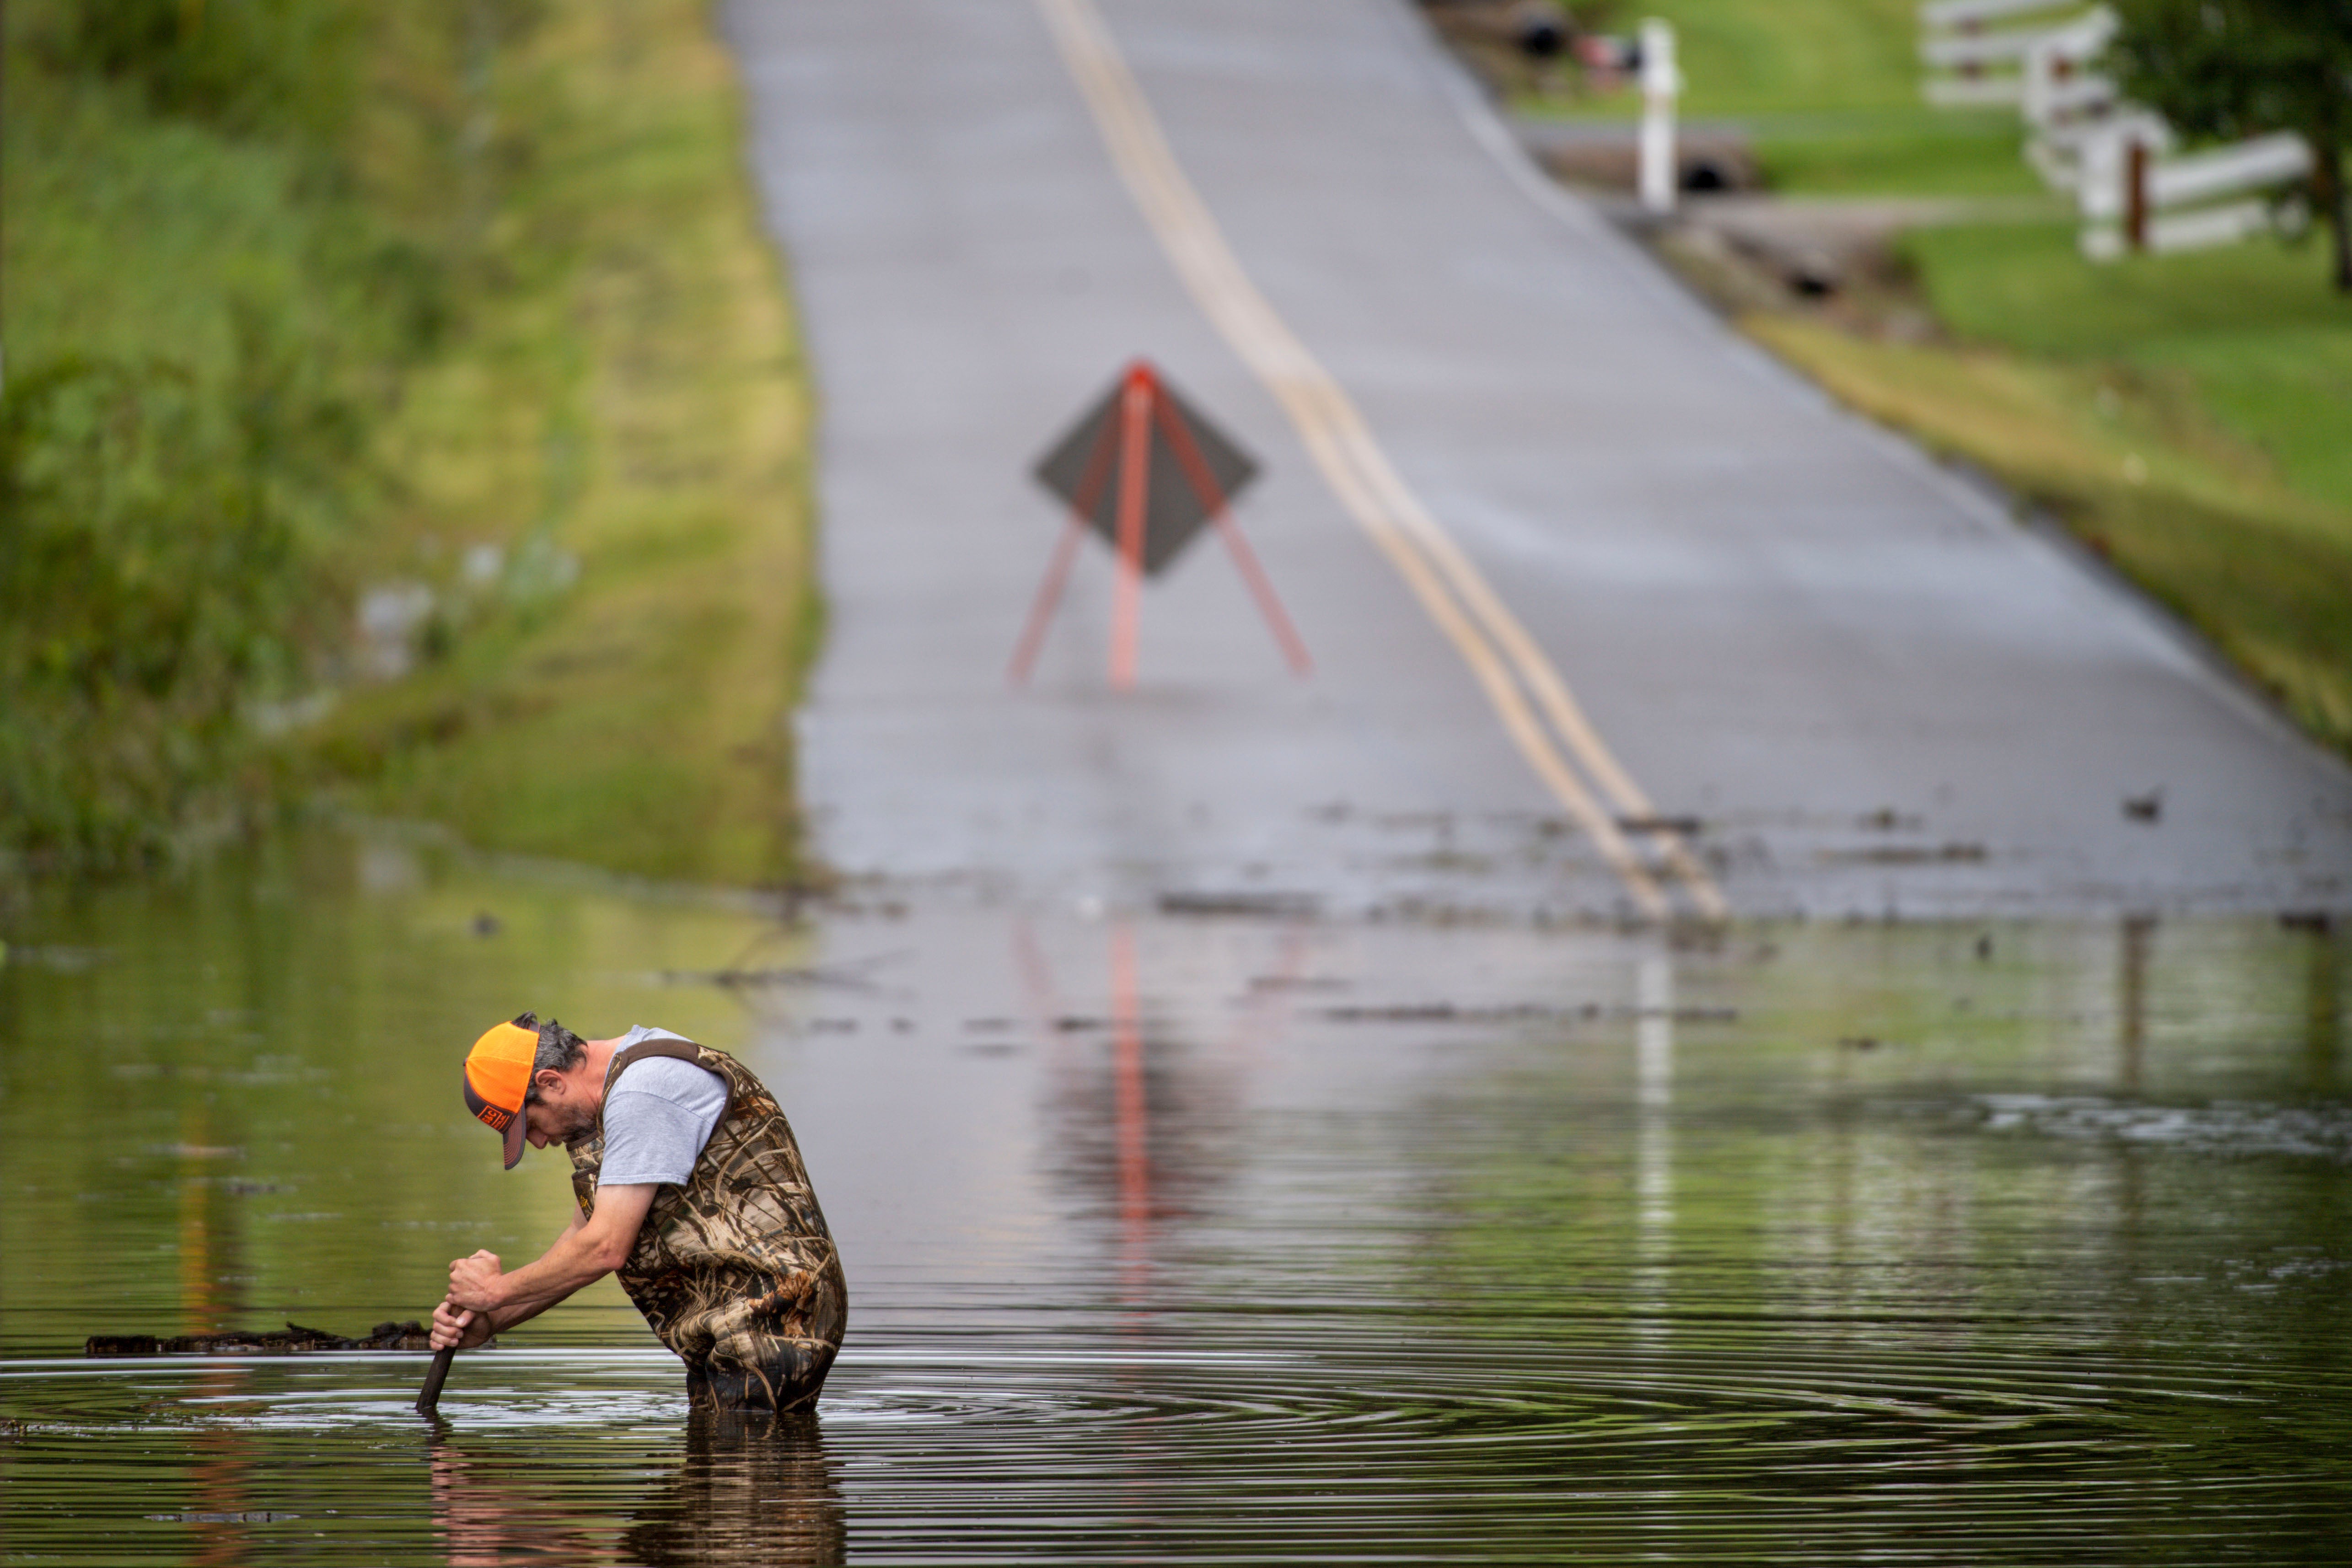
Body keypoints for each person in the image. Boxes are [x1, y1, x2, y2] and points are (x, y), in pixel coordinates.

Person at [430, 1013, 847, 1411]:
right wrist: (492, 1319)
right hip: (739, 1323)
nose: (538, 1142)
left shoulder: (642, 1093)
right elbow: (581, 1240)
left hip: (776, 1316)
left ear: (551, 1081)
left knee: (743, 1464)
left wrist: (493, 1291)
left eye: (531, 1124)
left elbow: (605, 1247)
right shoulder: (626, 1092)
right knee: (726, 1467)